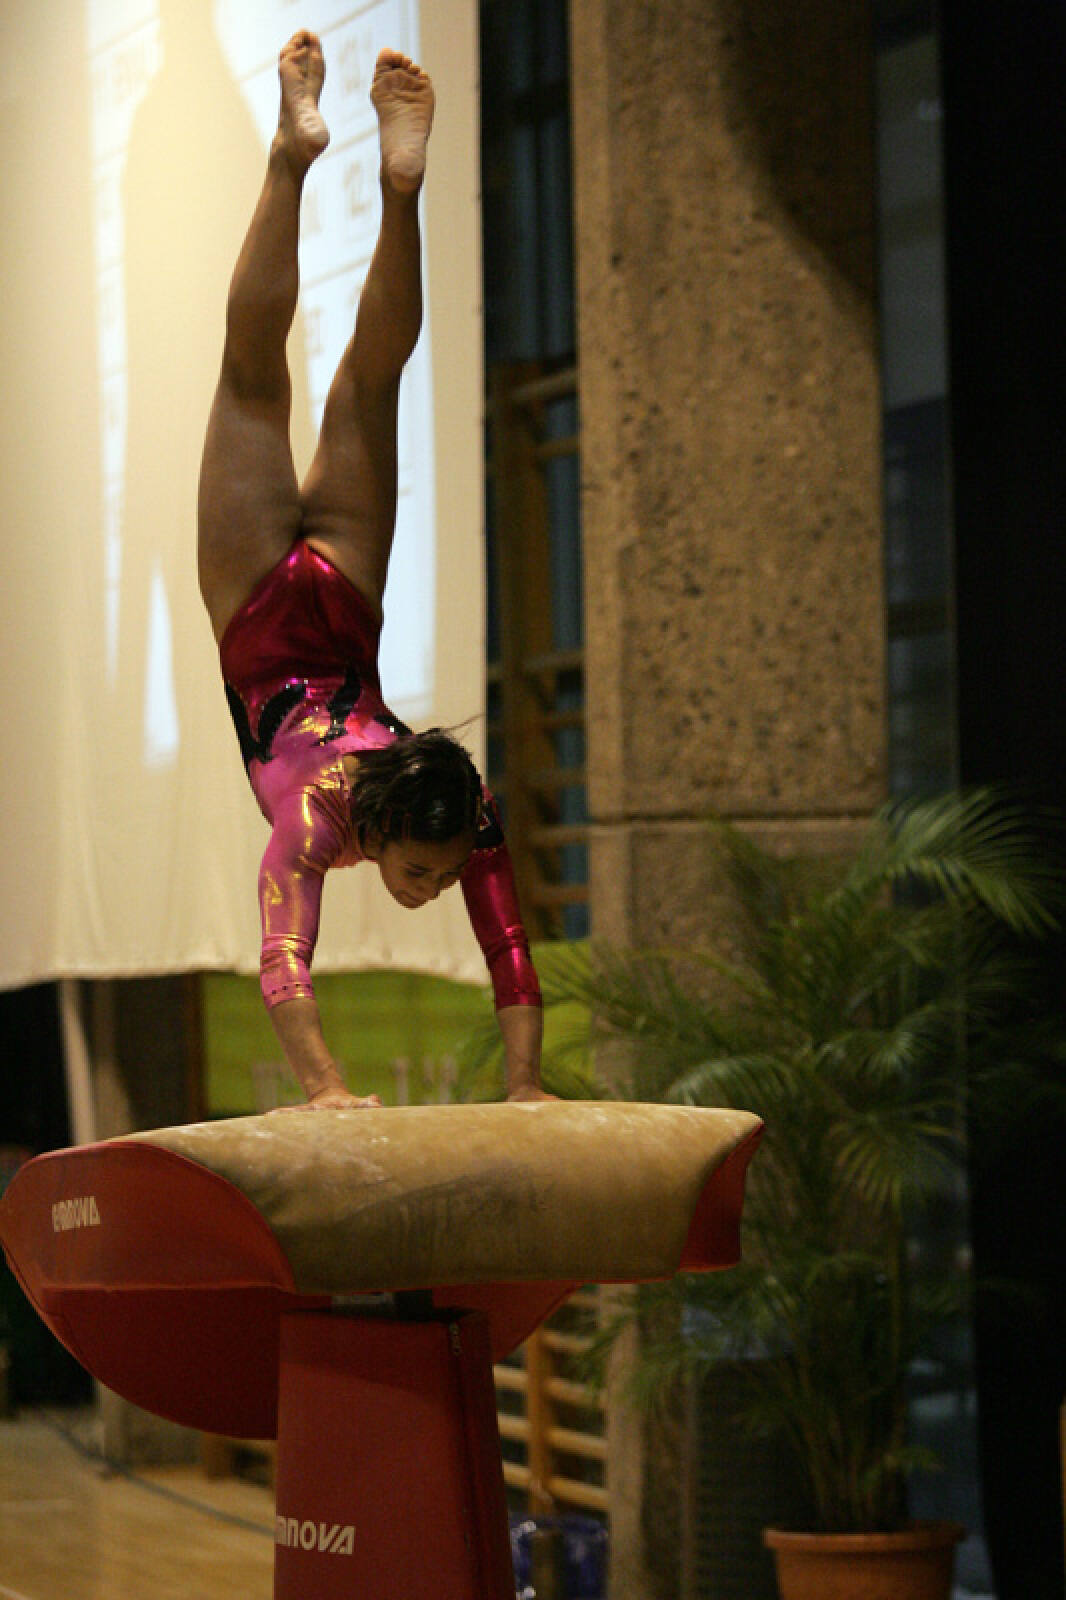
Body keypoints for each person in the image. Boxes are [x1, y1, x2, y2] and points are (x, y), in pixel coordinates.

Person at [197, 32, 546, 1110]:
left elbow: (507, 947)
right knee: (264, 379)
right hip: (271, 609)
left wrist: (526, 1091)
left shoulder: (455, 811)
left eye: (439, 874)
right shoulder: (316, 819)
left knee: (353, 379)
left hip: (333, 600)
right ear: (387, 828)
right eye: (426, 872)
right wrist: (325, 1089)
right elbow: (285, 959)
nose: (434, 888)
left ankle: (382, 180)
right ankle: (317, 161)